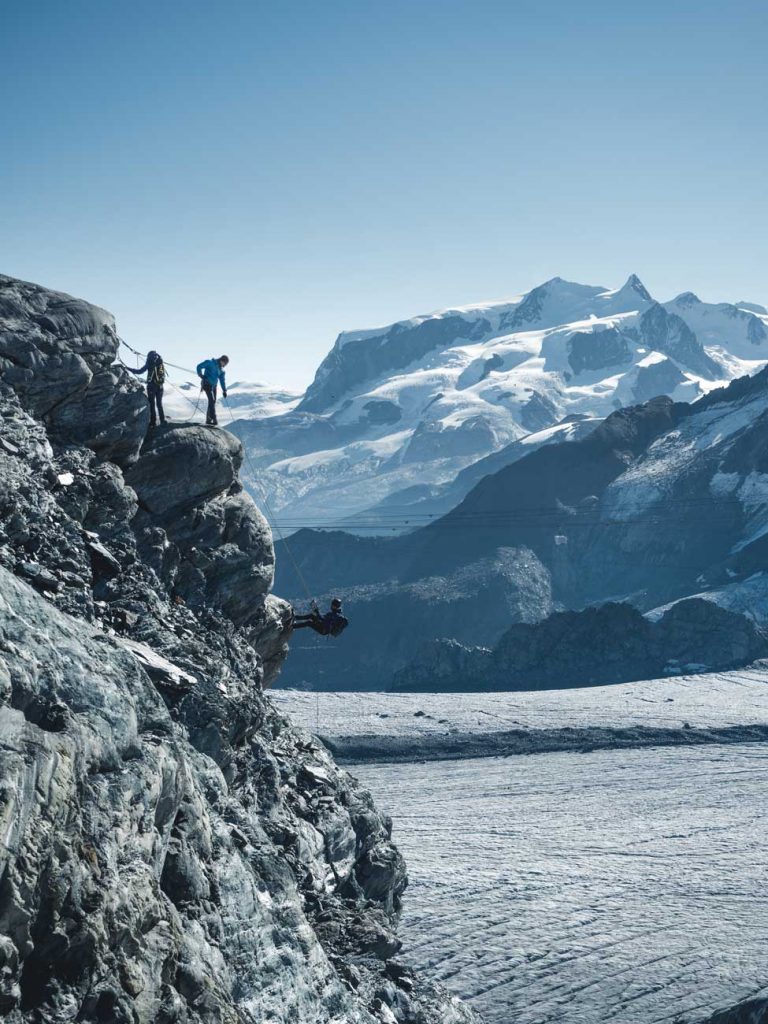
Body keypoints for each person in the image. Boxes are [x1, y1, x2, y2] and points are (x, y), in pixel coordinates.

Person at [126, 350, 167, 427]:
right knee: (159, 404)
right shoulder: (160, 362)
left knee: (152, 404)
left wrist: (129, 369)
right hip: (160, 386)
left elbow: (139, 371)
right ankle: (162, 420)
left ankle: (153, 422)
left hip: (152, 387)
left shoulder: (150, 363)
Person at [196, 355, 229, 425]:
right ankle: (214, 418)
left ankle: (208, 419)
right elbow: (199, 366)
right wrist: (200, 375)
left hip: (214, 386)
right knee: (211, 400)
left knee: (213, 401)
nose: (225, 365)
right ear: (222, 360)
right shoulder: (210, 363)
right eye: (225, 363)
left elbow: (222, 380)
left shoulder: (221, 371)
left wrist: (224, 390)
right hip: (206, 384)